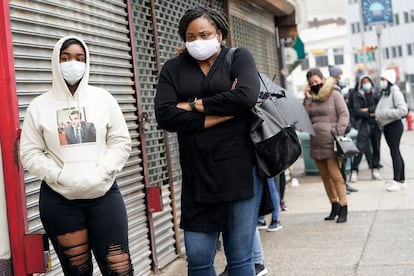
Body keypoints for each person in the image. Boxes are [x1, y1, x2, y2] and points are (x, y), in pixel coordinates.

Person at [154, 6, 261, 275]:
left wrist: (190, 106)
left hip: (238, 172)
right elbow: (165, 116)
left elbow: (246, 97)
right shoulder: (173, 68)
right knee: (199, 260)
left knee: (240, 260)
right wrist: (221, 114)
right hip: (196, 176)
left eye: (204, 34)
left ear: (219, 34)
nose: (197, 42)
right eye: (191, 37)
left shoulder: (238, 58)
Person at [19, 36, 133, 275]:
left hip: (104, 195)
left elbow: (121, 141)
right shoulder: (39, 106)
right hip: (60, 201)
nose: (73, 63)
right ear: (55, 61)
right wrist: (60, 175)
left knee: (120, 269)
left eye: (79, 58)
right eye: (66, 58)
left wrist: (102, 172)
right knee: (77, 271)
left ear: (87, 61)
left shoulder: (103, 99)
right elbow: (30, 153)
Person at [303, 68, 350, 223]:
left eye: (316, 81)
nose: (315, 84)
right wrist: (308, 98)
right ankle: (334, 204)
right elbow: (305, 117)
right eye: (311, 83)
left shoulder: (334, 93)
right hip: (316, 142)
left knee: (335, 175)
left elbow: (344, 114)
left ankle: (343, 206)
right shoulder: (312, 98)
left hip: (332, 141)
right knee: (325, 177)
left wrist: (338, 131)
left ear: (323, 80)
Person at [375, 69, 408, 191]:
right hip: (387, 125)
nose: (381, 82)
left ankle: (396, 180)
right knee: (396, 151)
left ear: (388, 81)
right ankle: (402, 179)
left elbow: (403, 110)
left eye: (383, 80)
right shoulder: (385, 93)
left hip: (394, 125)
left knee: (394, 152)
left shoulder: (395, 93)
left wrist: (385, 113)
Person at [328, 65, 359, 193]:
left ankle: (344, 184)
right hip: (337, 133)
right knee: (338, 162)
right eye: (338, 74)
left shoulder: (340, 90)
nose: (341, 77)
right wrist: (339, 130)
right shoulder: (332, 91)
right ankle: (341, 186)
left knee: (344, 159)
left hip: (342, 131)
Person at [349, 74, 383, 182]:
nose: (366, 84)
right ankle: (354, 171)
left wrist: (367, 110)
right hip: (363, 124)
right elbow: (356, 111)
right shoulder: (357, 95)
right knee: (360, 147)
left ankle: (375, 169)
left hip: (376, 124)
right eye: (363, 82)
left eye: (368, 81)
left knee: (376, 147)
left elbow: (380, 108)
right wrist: (371, 113)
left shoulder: (376, 93)